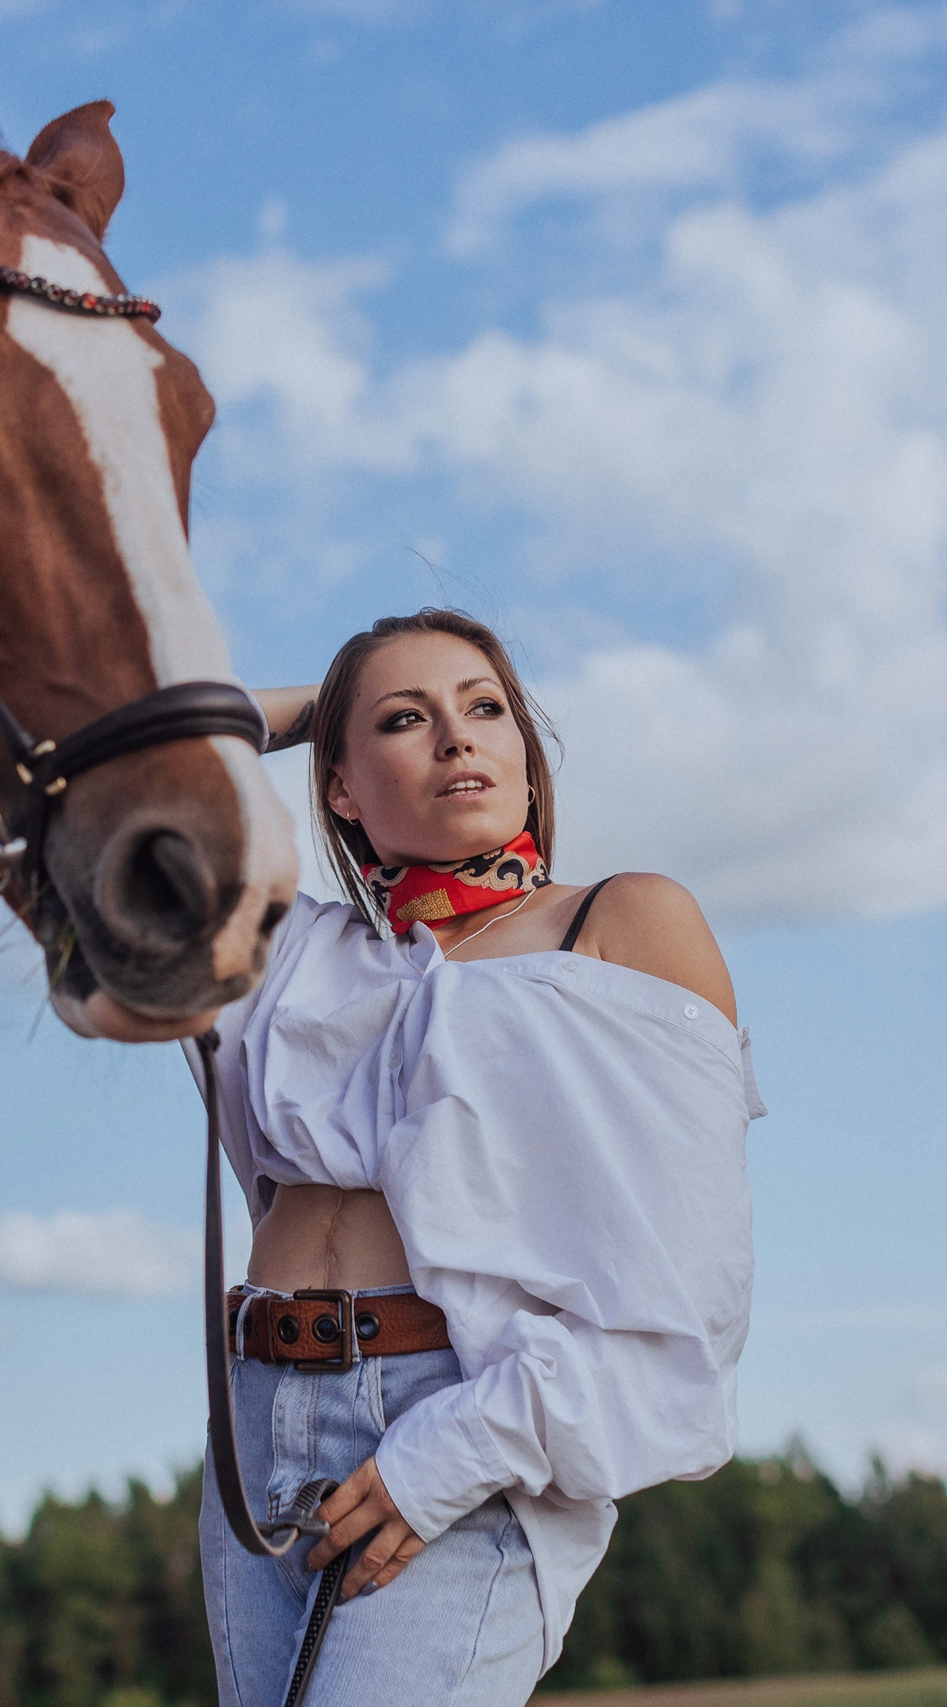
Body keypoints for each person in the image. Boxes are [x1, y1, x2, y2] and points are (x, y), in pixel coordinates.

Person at [194, 608, 763, 1705]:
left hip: (464, 1423)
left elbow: (693, 1301)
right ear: (341, 787)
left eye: (486, 708)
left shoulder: (619, 922)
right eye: (407, 721)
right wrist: (324, 706)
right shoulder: (298, 949)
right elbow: (134, 759)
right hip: (253, 1426)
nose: (459, 739)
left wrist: (436, 1460)